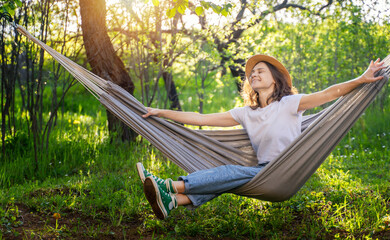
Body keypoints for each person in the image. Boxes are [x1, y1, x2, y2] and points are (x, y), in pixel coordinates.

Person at [136, 54, 385, 220]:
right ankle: (173, 201)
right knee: (229, 179)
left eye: (260, 71)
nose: (253, 75)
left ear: (275, 78)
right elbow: (201, 118)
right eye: (251, 73)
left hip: (283, 173)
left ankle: (169, 185)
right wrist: (161, 112)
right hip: (262, 174)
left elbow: (330, 94)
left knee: (230, 172)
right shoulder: (246, 113)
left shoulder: (290, 103)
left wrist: (362, 79)